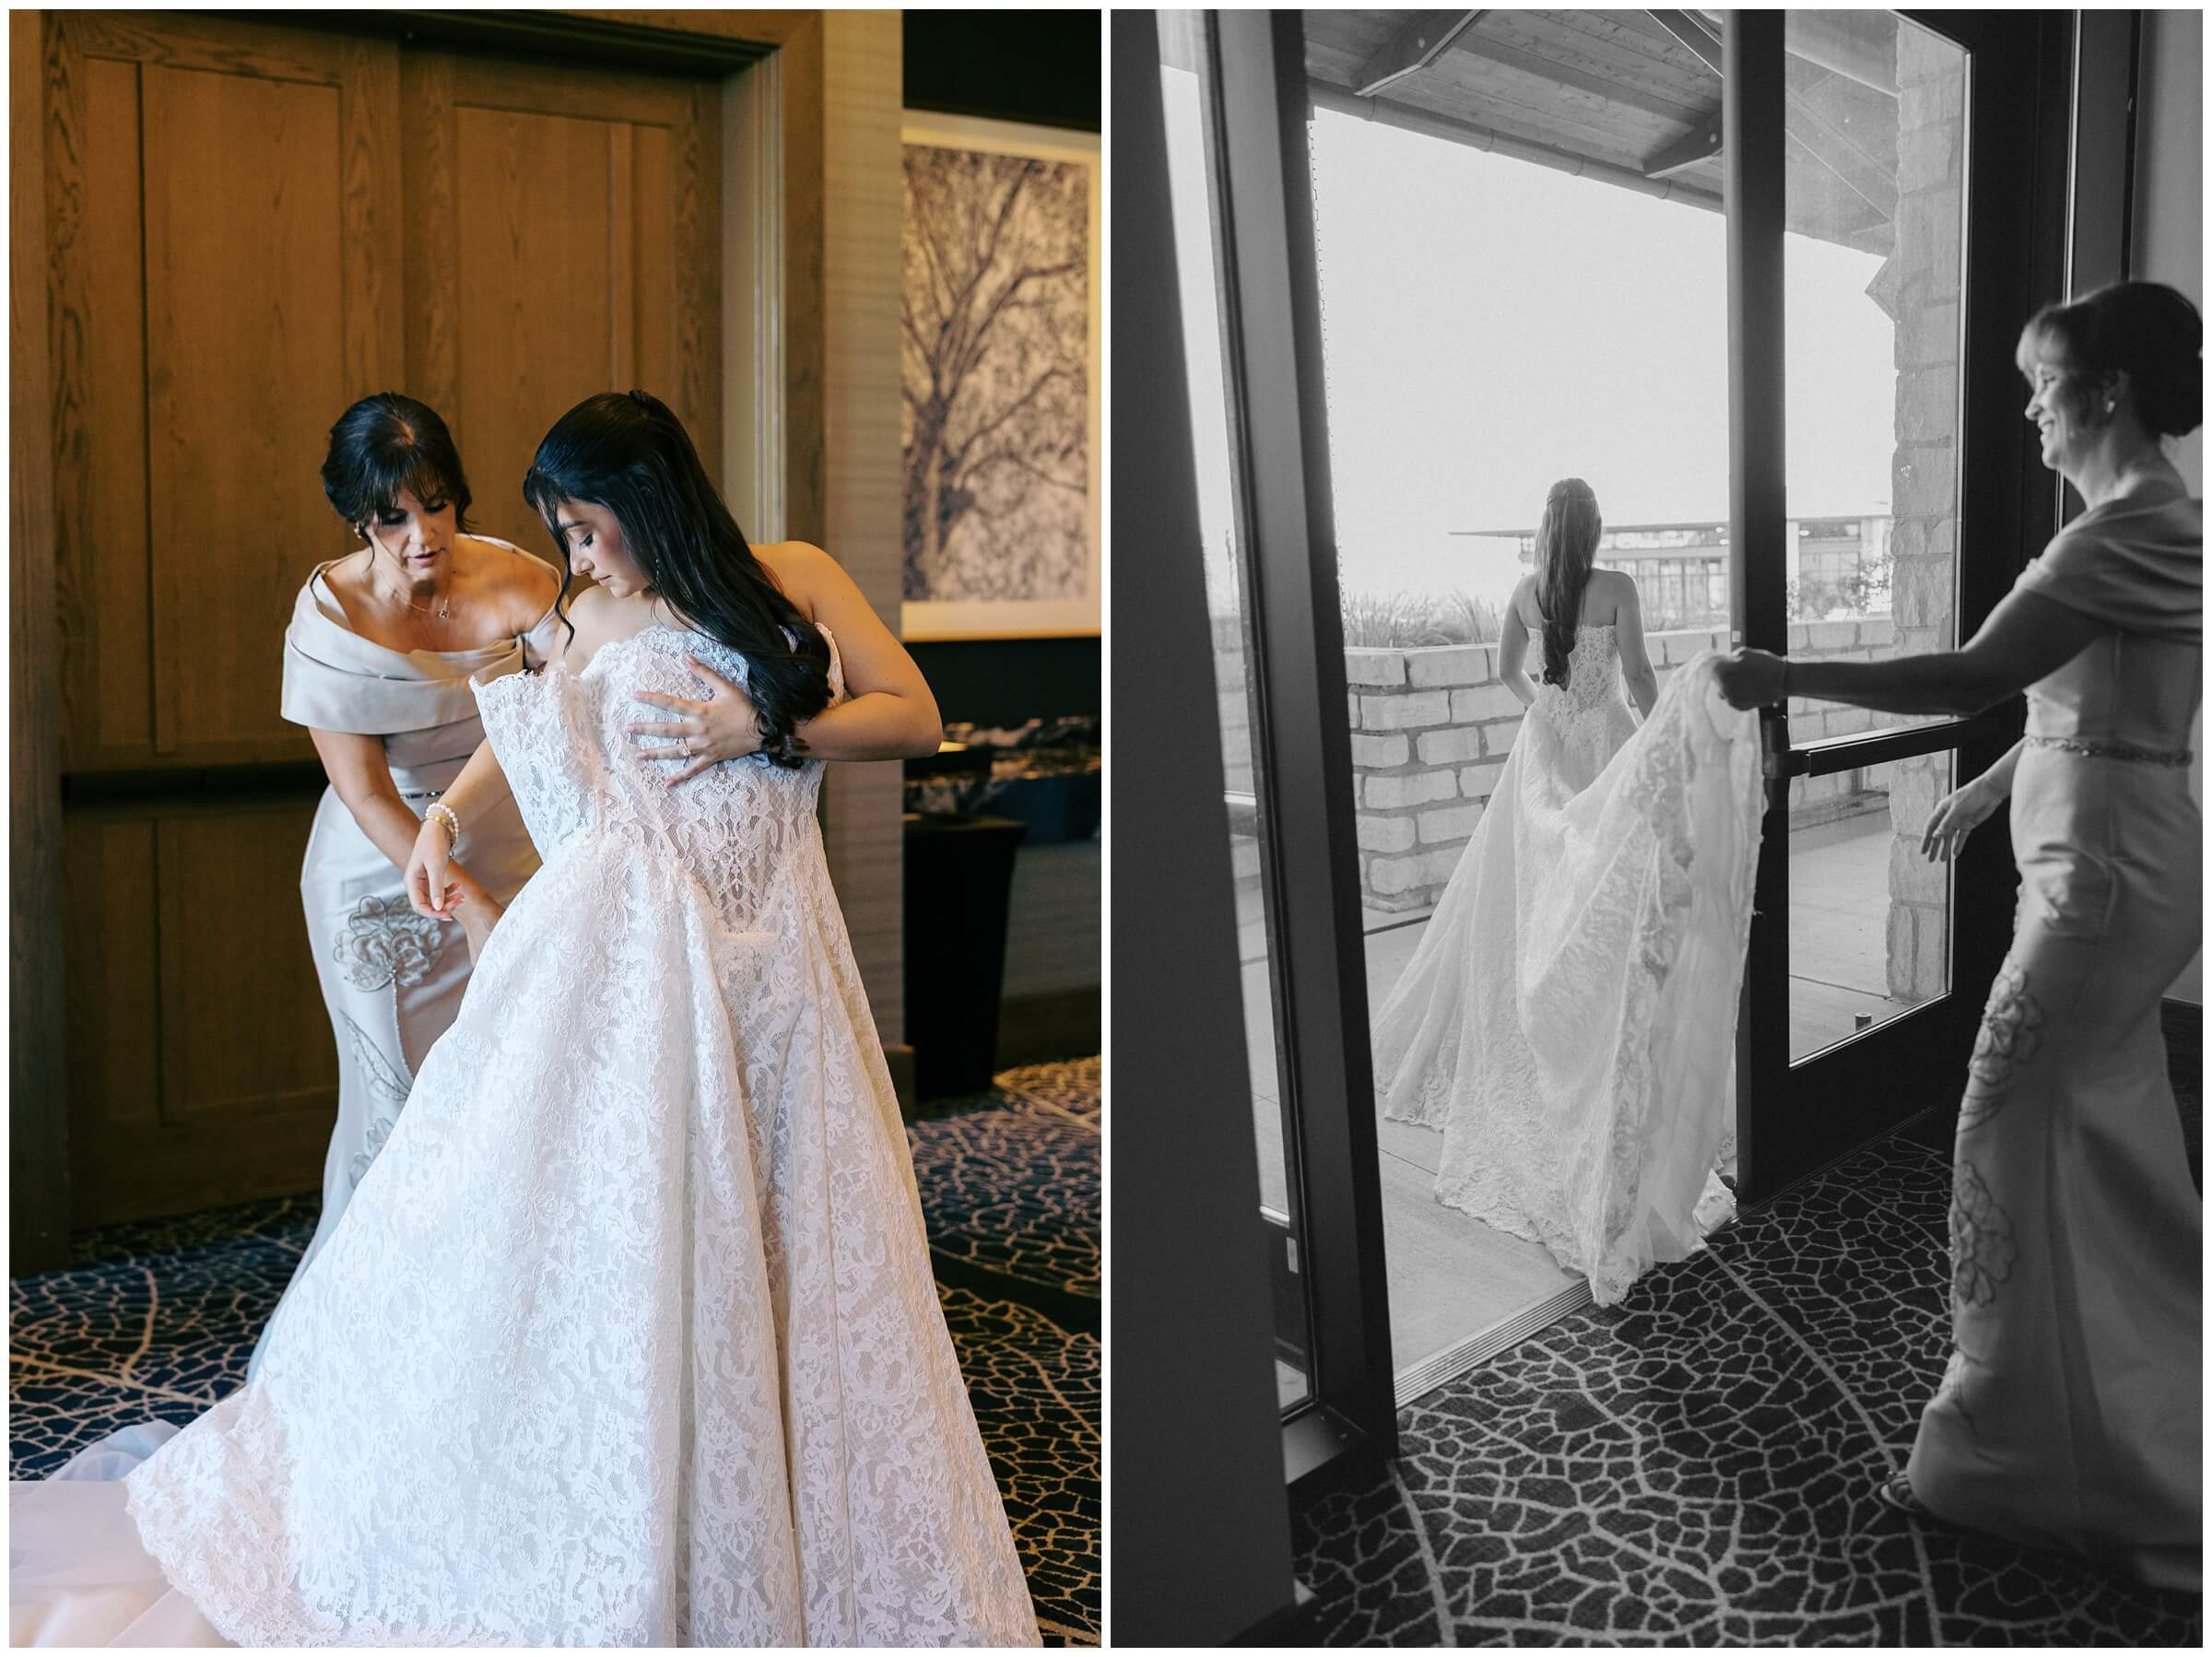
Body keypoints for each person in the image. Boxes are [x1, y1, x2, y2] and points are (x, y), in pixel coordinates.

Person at [9, 391, 1040, 1645]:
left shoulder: (791, 575)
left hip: (785, 968)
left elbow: (914, 713)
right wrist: (442, 818)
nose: (580, 557)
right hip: (649, 964)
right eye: (565, 534)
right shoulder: (585, 614)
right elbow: (531, 721)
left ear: (654, 501)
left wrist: (766, 718)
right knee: (641, 1239)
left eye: (594, 528)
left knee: (796, 1233)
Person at [1715, 279, 2202, 1590]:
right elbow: (2107, 701)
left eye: (2044, 383)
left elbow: (1971, 675)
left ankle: (2031, 1454)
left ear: (2103, 391)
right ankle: (2126, 1397)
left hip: (2096, 888)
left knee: (2002, 1132)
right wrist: (1994, 787)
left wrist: (1783, 676)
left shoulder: (2120, 529)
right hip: (2116, 860)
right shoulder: (2152, 520)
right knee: (2100, 1137)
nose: (2031, 409)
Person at [1372, 478, 1750, 1305]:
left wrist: (1545, 707)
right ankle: (1594, 1007)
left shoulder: (1523, 591)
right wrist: (1664, 740)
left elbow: (1505, 667)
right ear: (1597, 526)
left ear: (1548, 528)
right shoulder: (1616, 588)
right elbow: (1645, 674)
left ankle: (1546, 1001)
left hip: (1544, 749)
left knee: (1539, 894)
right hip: (1610, 744)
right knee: (1605, 890)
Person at [264, 394, 563, 1377]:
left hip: (512, 855)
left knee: (514, 1113)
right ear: (359, 518)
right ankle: (358, 1370)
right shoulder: (331, 618)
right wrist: (460, 890)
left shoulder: (520, 578)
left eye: (436, 504)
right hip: (381, 875)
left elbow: (578, 702)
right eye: (394, 517)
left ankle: (485, 1366)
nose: (422, 533)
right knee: (398, 1117)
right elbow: (357, 790)